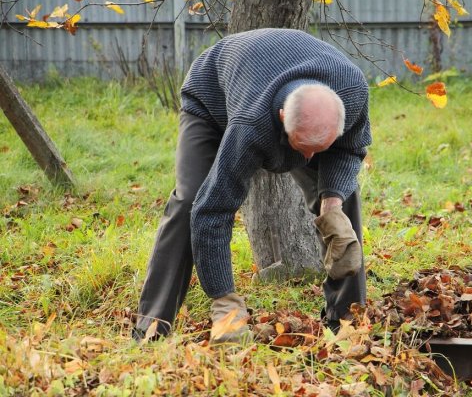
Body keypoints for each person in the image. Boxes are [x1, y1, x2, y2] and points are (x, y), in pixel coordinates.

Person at [133, 28, 371, 343]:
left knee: (343, 199)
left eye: (320, 148)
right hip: (211, 100)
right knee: (191, 200)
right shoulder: (252, 125)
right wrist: (224, 300)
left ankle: (347, 323)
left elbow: (350, 150)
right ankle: (151, 327)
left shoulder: (352, 92)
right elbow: (213, 210)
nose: (309, 158)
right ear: (284, 117)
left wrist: (332, 204)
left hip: (285, 95)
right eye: (302, 148)